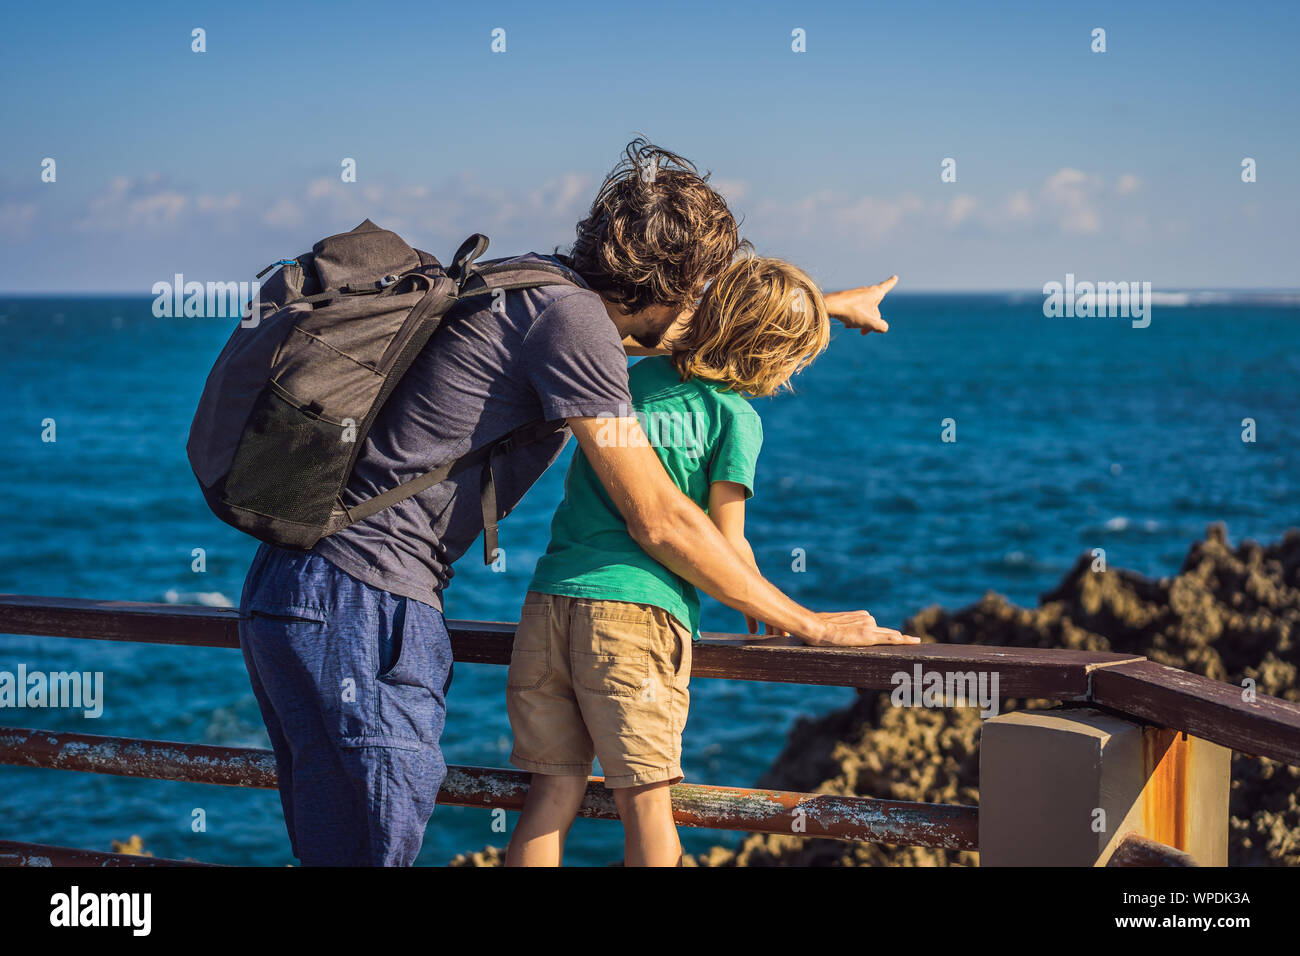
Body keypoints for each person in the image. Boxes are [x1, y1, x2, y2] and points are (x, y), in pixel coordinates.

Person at [236, 138, 908, 866]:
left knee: (342, 847)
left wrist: (826, 306)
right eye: (699, 291)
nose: (699, 310)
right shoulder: (577, 325)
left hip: (293, 589)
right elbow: (660, 516)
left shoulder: (533, 287)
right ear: (670, 284)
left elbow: (693, 350)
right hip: (366, 602)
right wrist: (807, 623)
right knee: (369, 852)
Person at [503, 256, 915, 867]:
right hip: (637, 617)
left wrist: (825, 302)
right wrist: (769, 602)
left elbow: (722, 320)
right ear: (777, 361)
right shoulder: (735, 417)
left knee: (552, 791)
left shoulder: (624, 381)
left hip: (551, 602)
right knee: (648, 802)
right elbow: (728, 542)